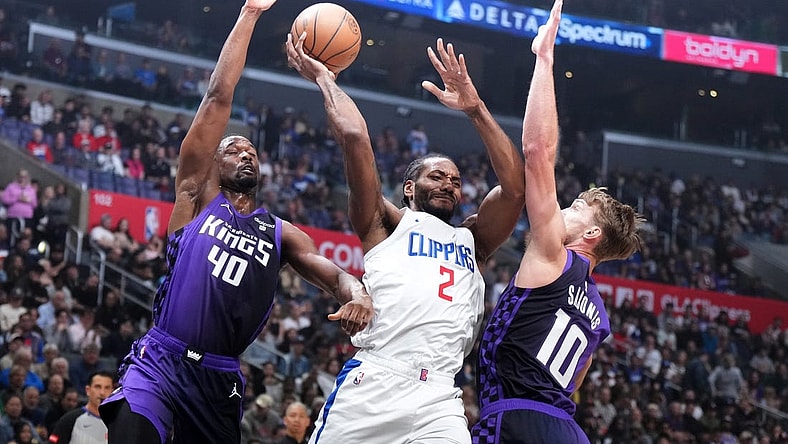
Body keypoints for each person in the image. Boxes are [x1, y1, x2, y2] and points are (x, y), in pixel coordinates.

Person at [98, 1, 372, 443]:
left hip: (218, 379)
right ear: (211, 163)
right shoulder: (195, 196)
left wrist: (359, 294)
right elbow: (218, 96)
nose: (245, 154)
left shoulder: (282, 233)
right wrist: (250, 12)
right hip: (160, 361)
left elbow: (337, 276)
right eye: (233, 149)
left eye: (252, 152)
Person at [286, 27, 525, 444]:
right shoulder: (385, 223)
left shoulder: (473, 241)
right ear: (410, 188)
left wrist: (475, 110)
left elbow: (516, 188)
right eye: (438, 176)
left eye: (456, 179)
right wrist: (325, 78)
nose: (451, 184)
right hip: (377, 381)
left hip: (439, 398)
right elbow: (357, 138)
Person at [471, 2, 643, 443]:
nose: (563, 208)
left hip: (515, 421)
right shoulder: (600, 317)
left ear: (591, 235)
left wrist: (543, 59)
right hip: (567, 431)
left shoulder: (554, 257)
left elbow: (538, 154)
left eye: (576, 209)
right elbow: (575, 381)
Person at [48, 371, 113, 444]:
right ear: (88, 390)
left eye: (107, 388)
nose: (102, 392)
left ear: (112, 392)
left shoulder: (117, 422)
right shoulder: (70, 420)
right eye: (98, 387)